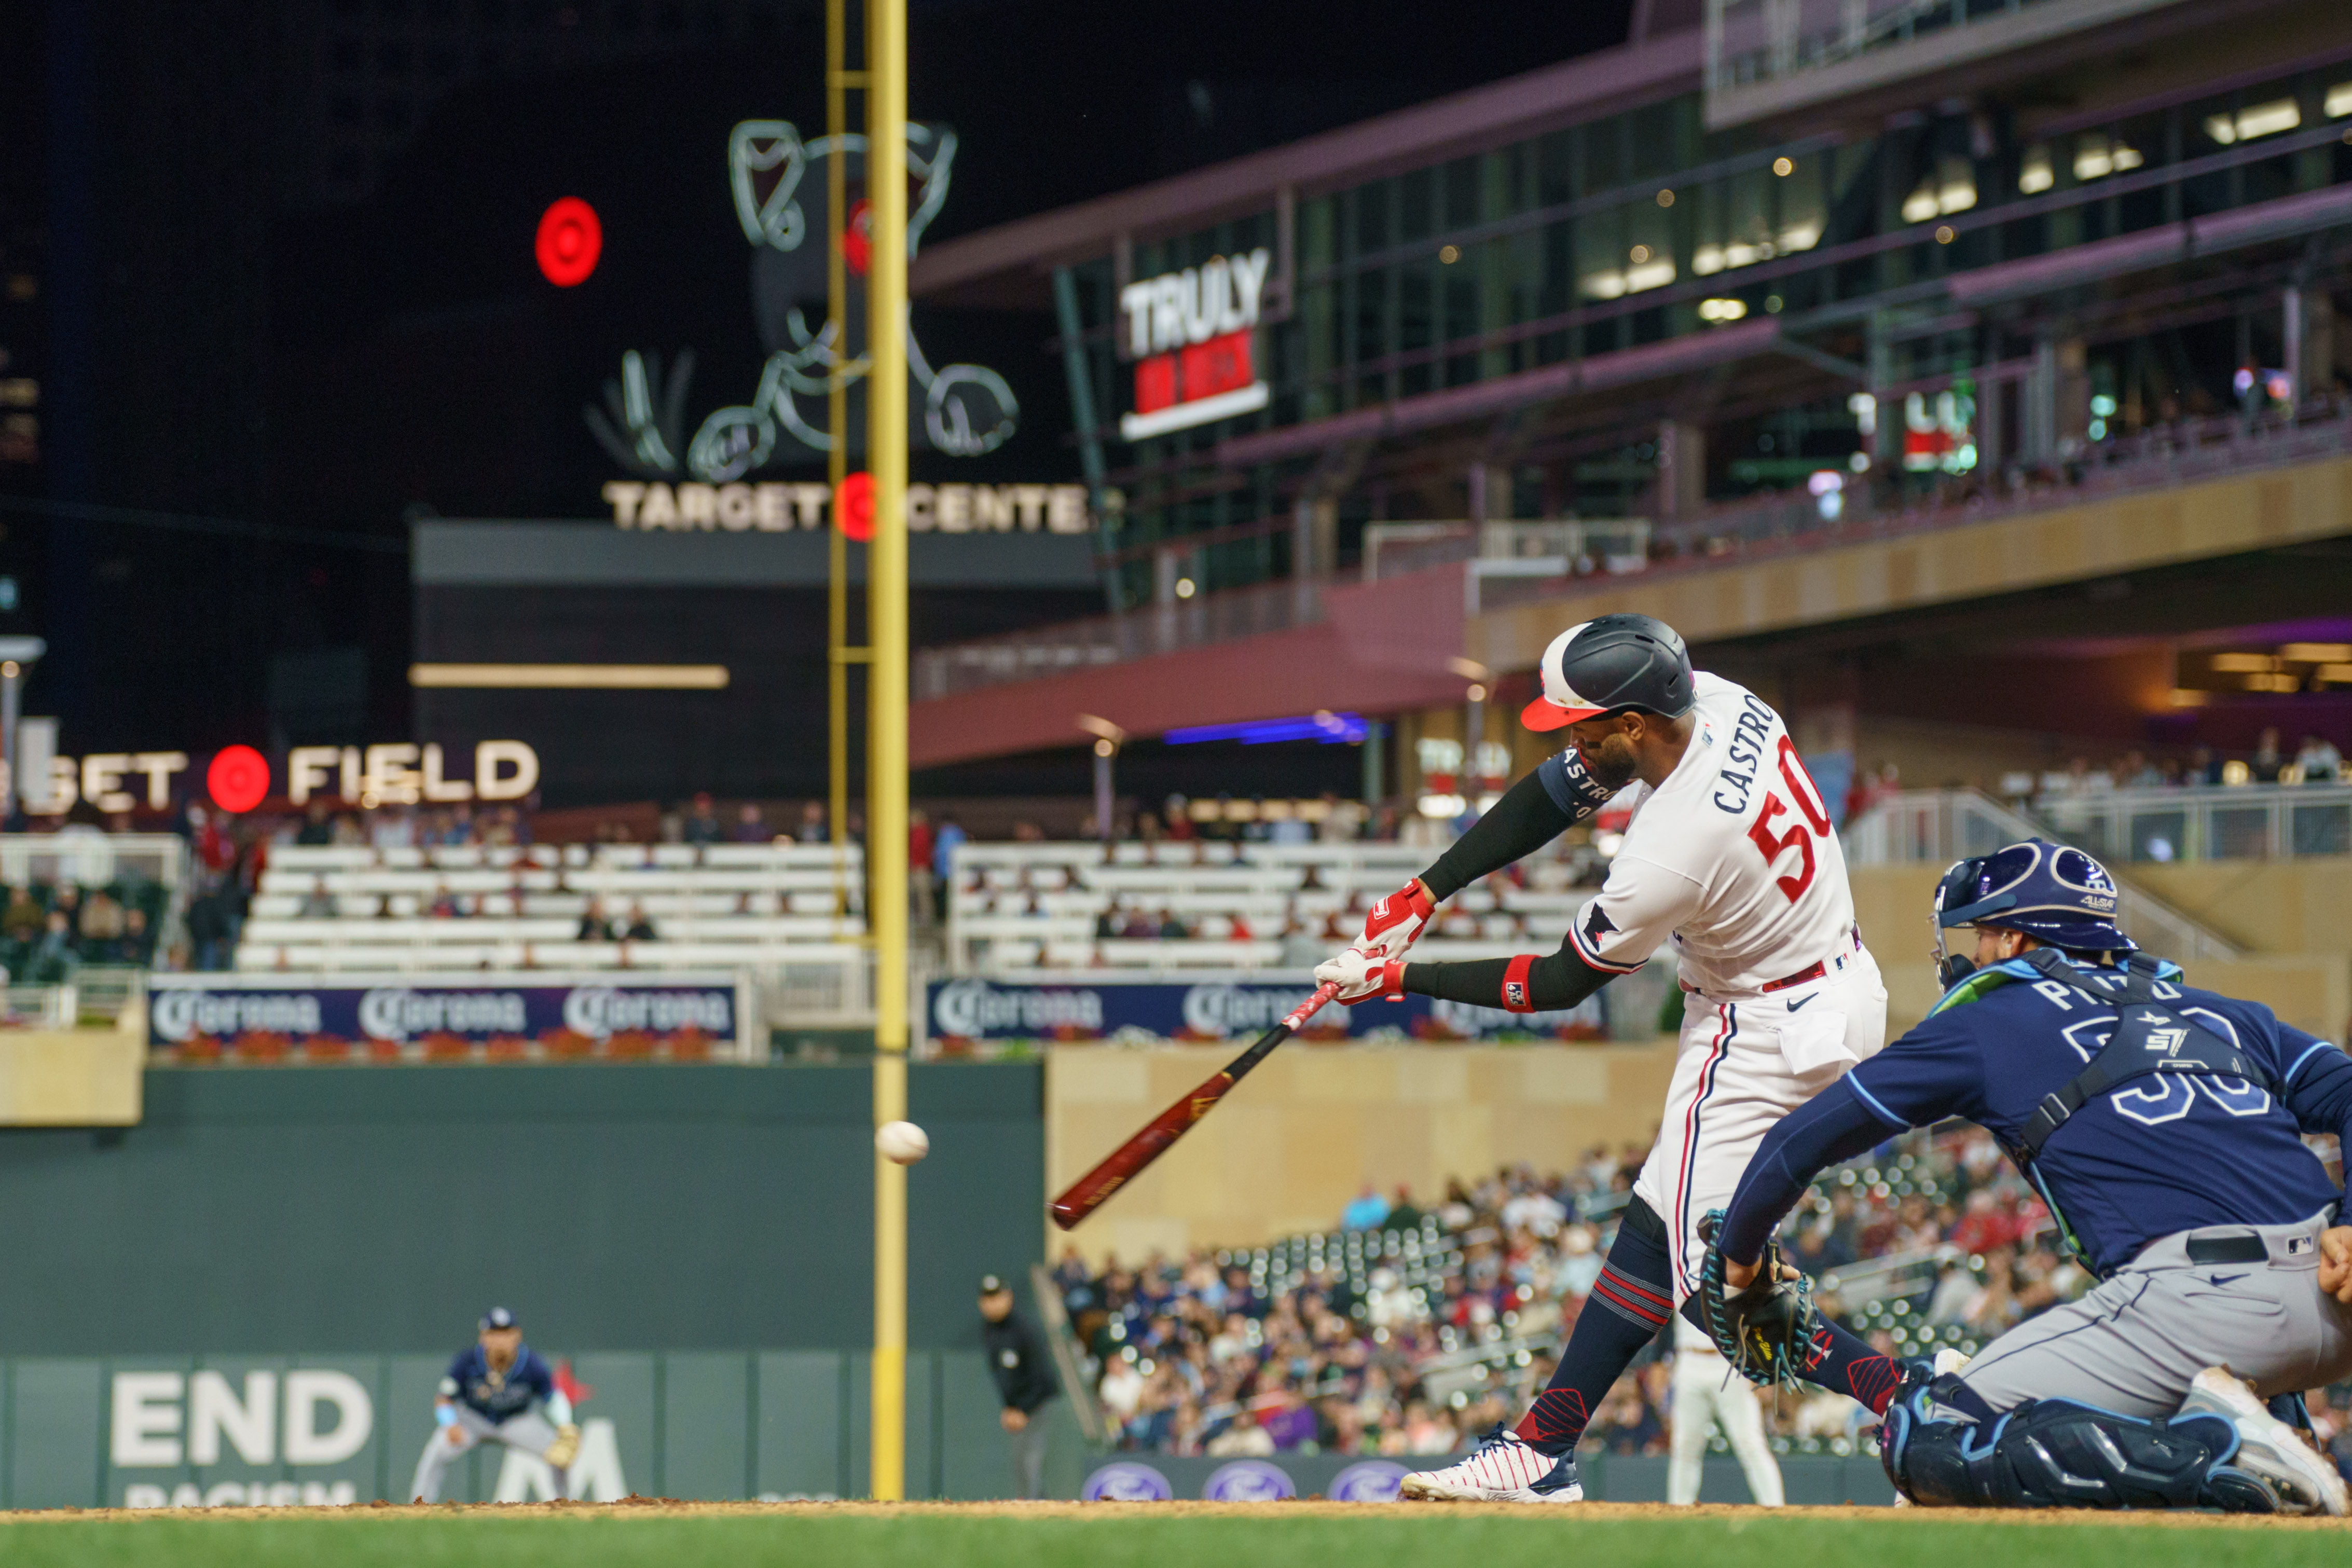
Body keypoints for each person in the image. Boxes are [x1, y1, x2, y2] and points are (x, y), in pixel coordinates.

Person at [1311, 613, 1893, 1503]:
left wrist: (1394, 976)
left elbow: (1552, 984)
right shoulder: (1725, 702)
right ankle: (1541, 1445)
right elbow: (1559, 791)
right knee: (1653, 1227)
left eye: (1580, 721)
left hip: (1759, 1029)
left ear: (1630, 722)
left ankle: (1904, 1398)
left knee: (1710, 1288)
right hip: (1827, 981)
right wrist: (1426, 889)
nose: (1567, 736)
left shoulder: (1669, 850)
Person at [1711, 837, 2352, 1515]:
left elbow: (1795, 1141)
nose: (1971, 951)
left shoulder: (1992, 1020)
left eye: (1982, 933)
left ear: (2014, 937)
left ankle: (2220, 1454)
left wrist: (1738, 1264)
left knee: (1930, 1428)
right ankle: (2274, 1433)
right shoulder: (2225, 1012)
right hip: (2332, 1280)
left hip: (2204, 1298)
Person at [408, 1308, 580, 1503]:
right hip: (473, 1420)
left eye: (506, 1333)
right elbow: (444, 1398)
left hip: (516, 1421)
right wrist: (449, 1423)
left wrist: (566, 1424)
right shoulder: (468, 1361)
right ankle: (419, 1504)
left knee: (560, 1452)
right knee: (437, 1451)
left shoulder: (531, 1363)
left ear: (517, 1336)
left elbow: (553, 1397)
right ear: (483, 1337)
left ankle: (567, 1505)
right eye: (494, 1334)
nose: (500, 1340)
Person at [1666, 1317, 1783, 1506]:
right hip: (1688, 1360)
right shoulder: (1675, 1286)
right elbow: (1666, 1323)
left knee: (1750, 1442)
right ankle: (1679, 1509)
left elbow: (1756, 1316)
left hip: (1730, 1361)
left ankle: (1775, 1507)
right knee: (1684, 1445)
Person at [979, 1274, 1057, 1500]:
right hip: (1019, 1407)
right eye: (987, 1298)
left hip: (1039, 1402)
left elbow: (1045, 1378)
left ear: (1008, 1297)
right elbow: (1002, 1376)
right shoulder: (990, 1330)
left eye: (997, 1297)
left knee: (1029, 1460)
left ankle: (1030, 1510)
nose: (993, 1303)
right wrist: (1009, 1408)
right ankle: (1038, 1506)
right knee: (1022, 1461)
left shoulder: (1025, 1329)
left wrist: (1021, 1409)